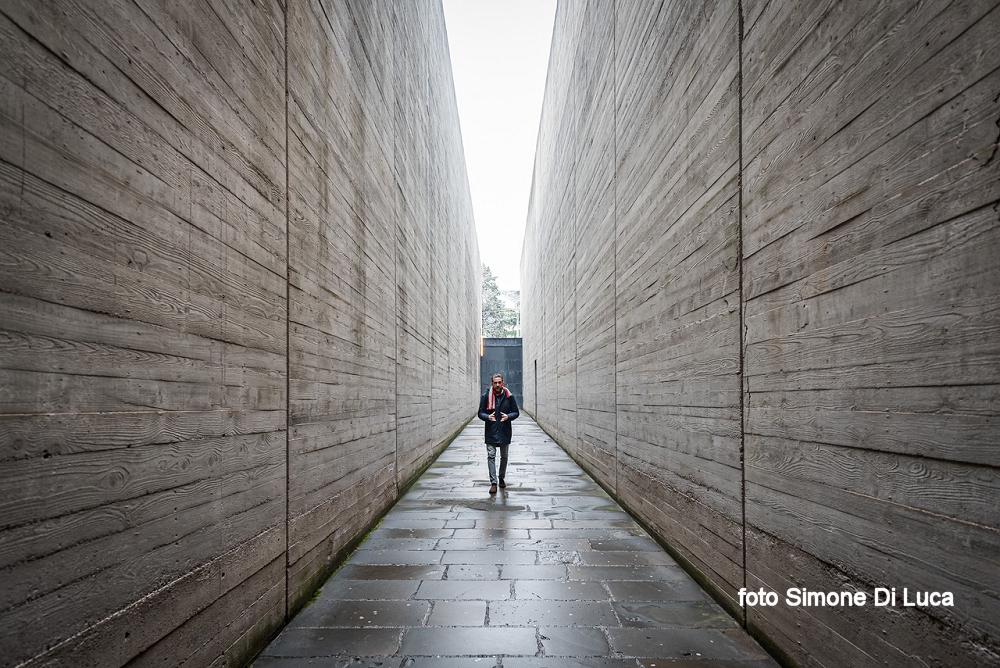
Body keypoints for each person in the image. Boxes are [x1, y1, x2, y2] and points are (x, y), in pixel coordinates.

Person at [478, 373, 519, 494]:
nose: (497, 385)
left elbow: (516, 412)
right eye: (495, 382)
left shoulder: (509, 396)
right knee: (491, 456)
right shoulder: (486, 396)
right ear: (492, 383)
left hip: (504, 431)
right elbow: (480, 413)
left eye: (499, 382)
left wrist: (508, 416)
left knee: (504, 457)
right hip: (491, 431)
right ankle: (493, 483)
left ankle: (501, 477)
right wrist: (487, 417)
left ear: (503, 383)